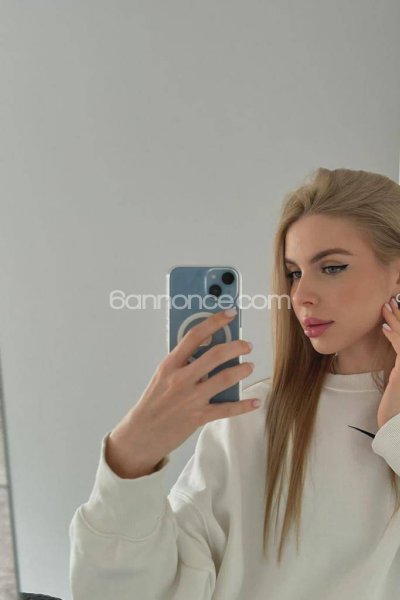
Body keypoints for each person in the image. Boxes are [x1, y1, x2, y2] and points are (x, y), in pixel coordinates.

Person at [69, 167, 400, 600]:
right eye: (294, 273)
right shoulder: (253, 416)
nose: (301, 295)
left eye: (332, 267)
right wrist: (129, 458)